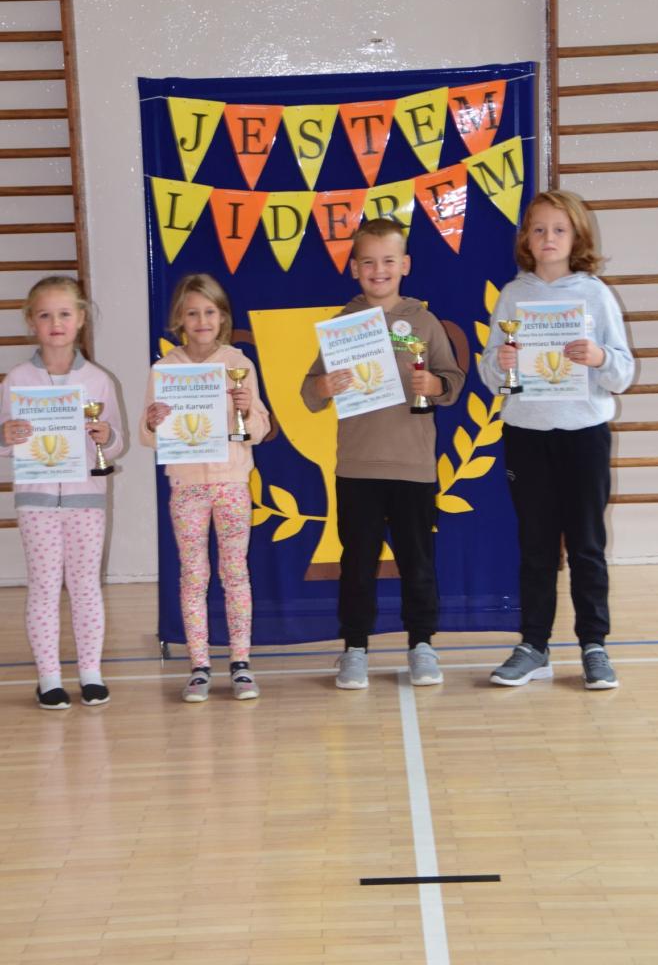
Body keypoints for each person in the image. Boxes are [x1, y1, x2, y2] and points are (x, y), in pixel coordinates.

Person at [479, 190, 634, 689]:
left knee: (587, 545)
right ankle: (534, 645)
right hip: (526, 435)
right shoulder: (512, 295)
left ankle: (594, 645)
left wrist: (599, 358)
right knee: (536, 546)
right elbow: (492, 374)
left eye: (559, 229)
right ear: (526, 238)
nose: (548, 238)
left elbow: (623, 373)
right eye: (539, 229)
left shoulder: (595, 294)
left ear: (577, 237)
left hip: (584, 435)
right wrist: (501, 364)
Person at [301, 218, 465, 689]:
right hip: (358, 467)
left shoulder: (423, 322)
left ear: (405, 265)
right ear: (354, 268)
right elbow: (309, 393)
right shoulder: (341, 326)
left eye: (388, 261)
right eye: (368, 262)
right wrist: (324, 385)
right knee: (357, 564)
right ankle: (354, 648)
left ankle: (422, 645)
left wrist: (434, 384)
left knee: (418, 562)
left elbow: (452, 381)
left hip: (413, 467)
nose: (379, 270)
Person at [141, 273, 270, 703]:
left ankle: (240, 663)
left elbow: (259, 429)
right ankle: (199, 666)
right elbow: (146, 436)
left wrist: (247, 409)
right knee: (193, 575)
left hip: (232, 483)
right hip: (187, 487)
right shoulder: (164, 370)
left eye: (209, 312)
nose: (201, 321)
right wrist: (153, 422)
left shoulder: (238, 363)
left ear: (222, 317)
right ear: (179, 318)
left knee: (235, 573)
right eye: (192, 313)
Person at [0, 276, 125, 709]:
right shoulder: (17, 379)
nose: (56, 323)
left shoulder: (98, 380)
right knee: (44, 587)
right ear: (31, 322)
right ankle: (49, 678)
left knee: (86, 586)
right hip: (36, 500)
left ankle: (91, 673)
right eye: (45, 315)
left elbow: (117, 443)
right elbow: (3, 439)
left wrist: (107, 435)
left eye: (65, 314)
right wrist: (6, 435)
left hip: (86, 499)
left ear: (81, 319)